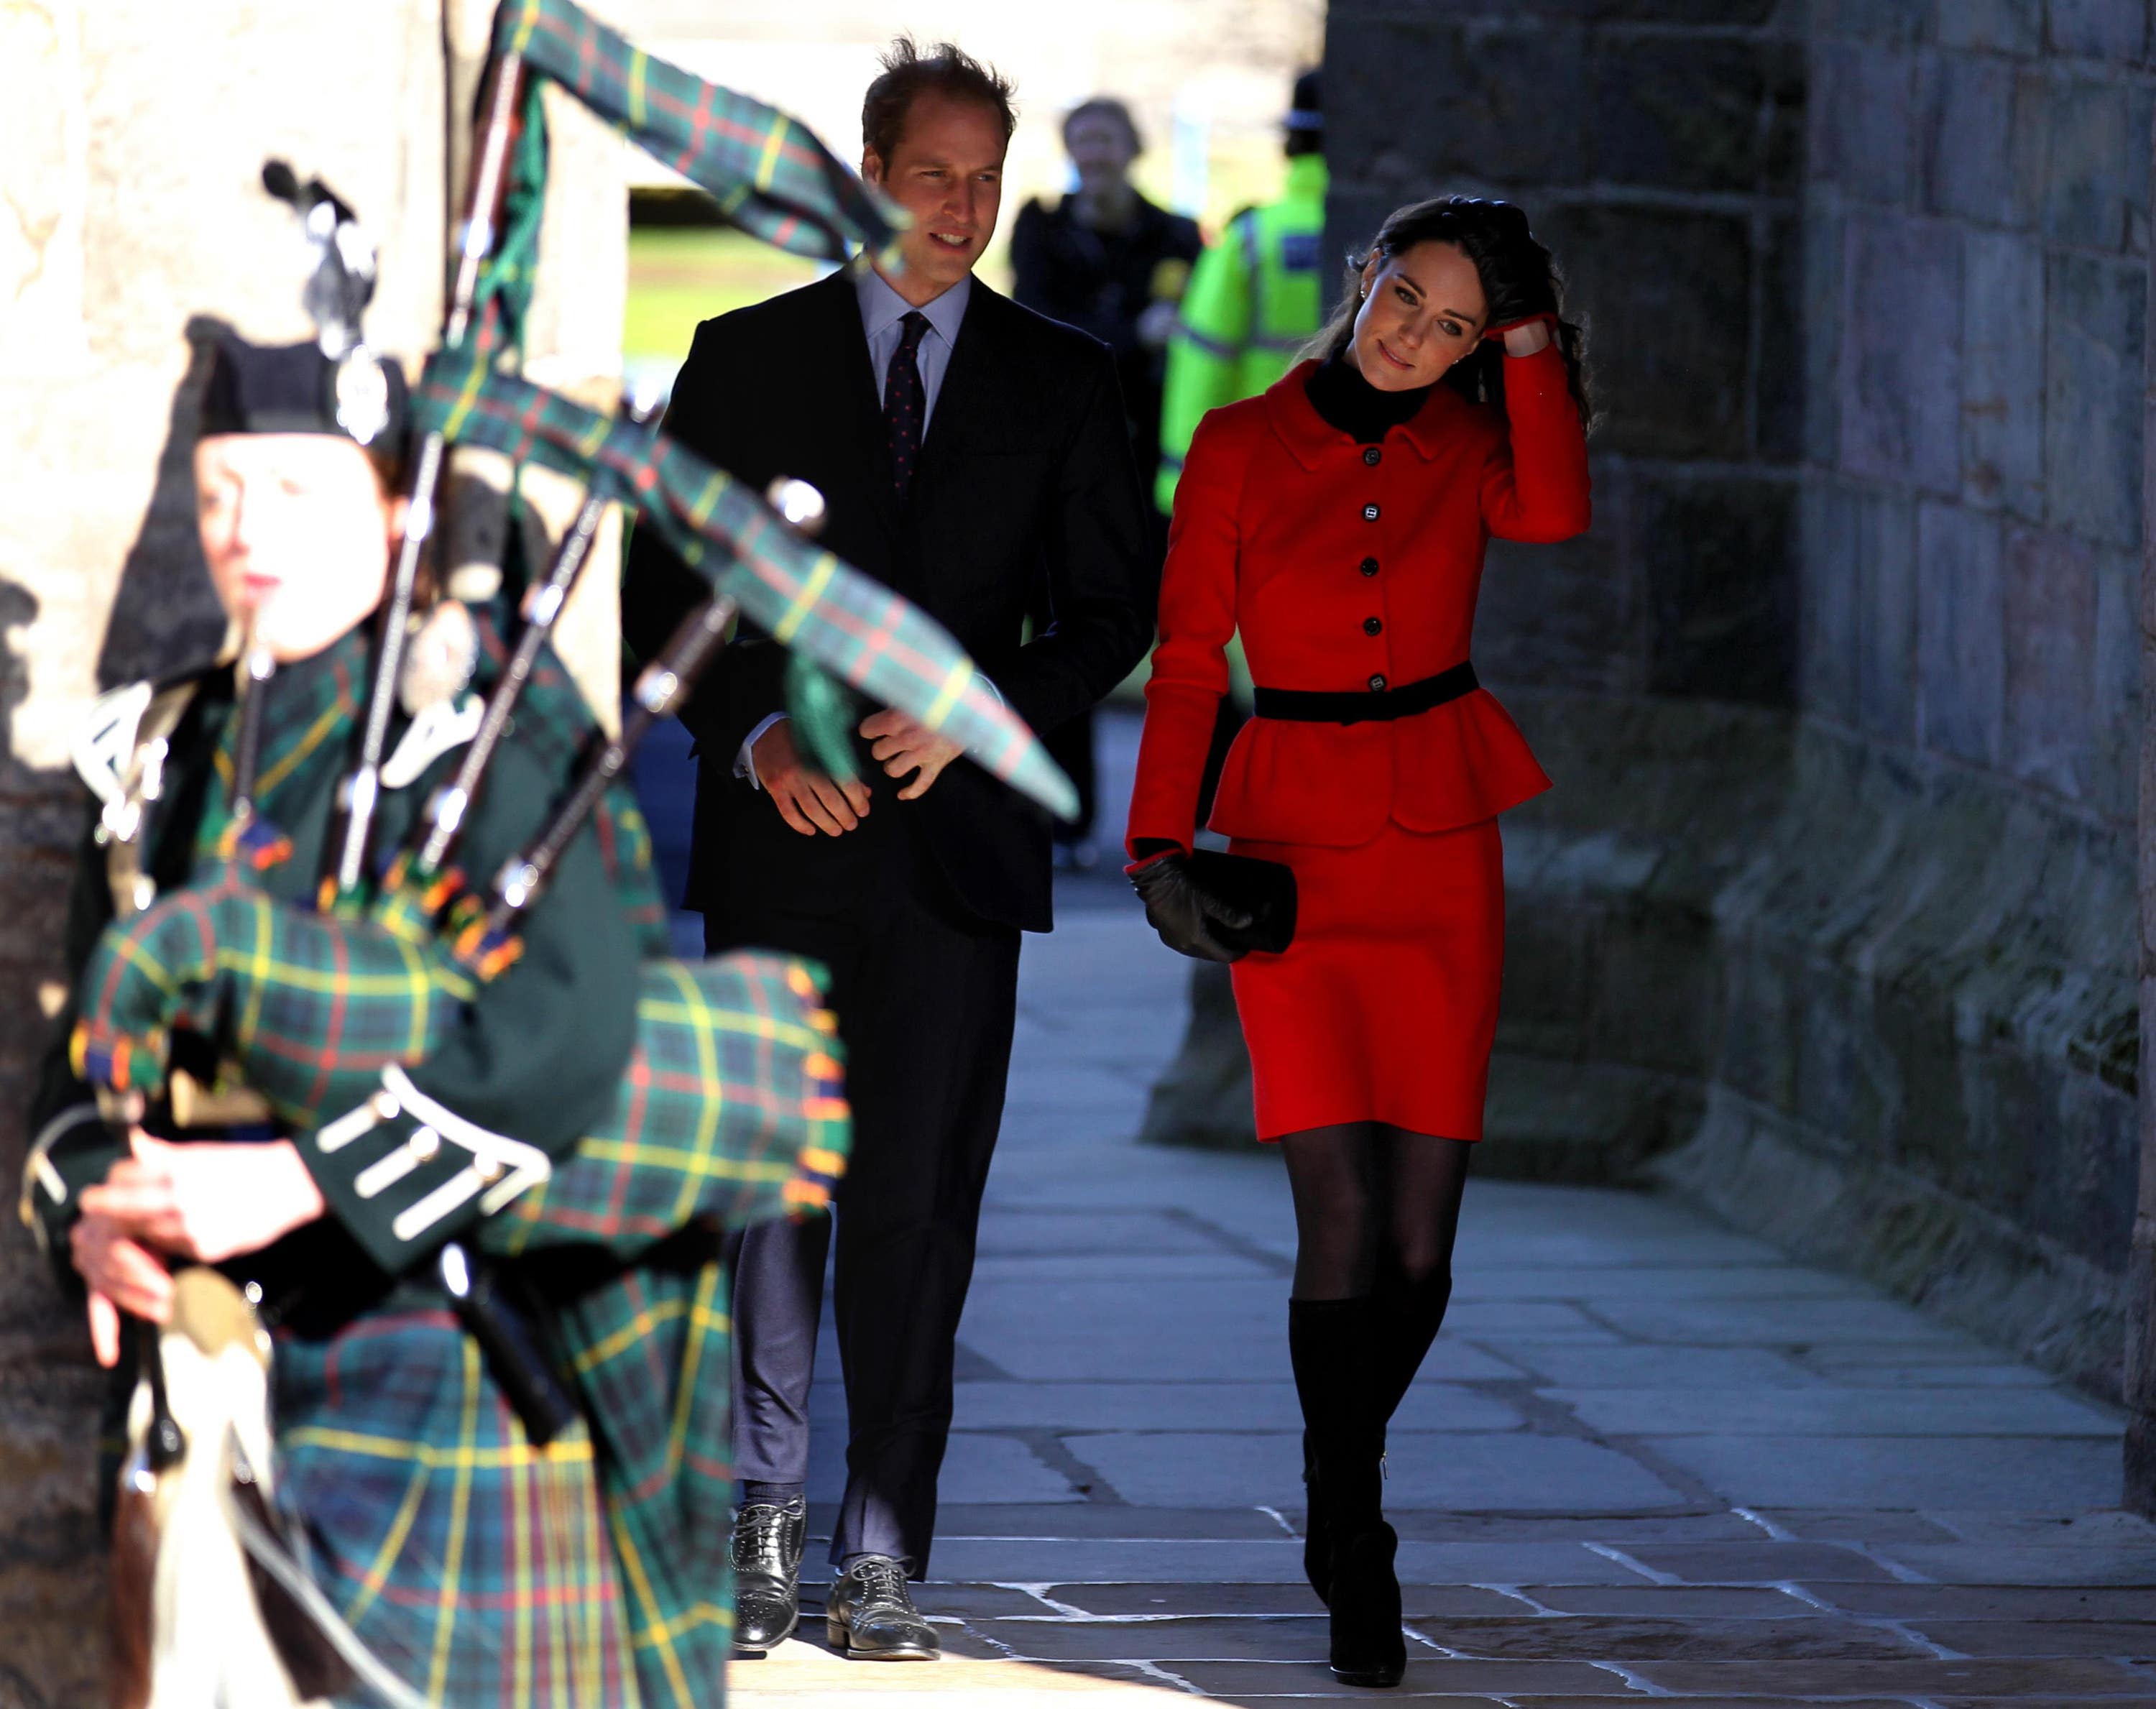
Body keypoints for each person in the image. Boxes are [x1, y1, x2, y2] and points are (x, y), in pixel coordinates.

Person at [24, 328, 838, 1706]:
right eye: (223, 493)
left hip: (438, 1355)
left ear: (396, 509)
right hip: (204, 1379)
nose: (248, 536)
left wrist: (293, 1177)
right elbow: (84, 1059)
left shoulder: (496, 741)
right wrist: (94, 1209)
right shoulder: (165, 748)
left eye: (296, 493)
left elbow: (571, 1035)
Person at [620, 37, 1154, 1661]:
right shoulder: (740, 358)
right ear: (868, 175)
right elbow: (659, 596)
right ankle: (762, 1514)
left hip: (956, 860)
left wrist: (985, 709)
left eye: (988, 179)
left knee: (920, 1199)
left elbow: (1115, 607)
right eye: (934, 175)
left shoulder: (1060, 375)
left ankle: (883, 1542)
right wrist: (752, 738)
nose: (965, 208)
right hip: (781, 842)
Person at [1123, 196, 1592, 1687]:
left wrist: (1527, 347)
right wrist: (1156, 844)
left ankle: (1332, 1483)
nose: (1416, 339)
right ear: (1366, 277)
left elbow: (1559, 510)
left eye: (1456, 325)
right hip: (1295, 865)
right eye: (1410, 301)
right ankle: (1359, 1538)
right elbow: (1191, 660)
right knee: (1336, 1211)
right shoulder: (1242, 448)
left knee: (1420, 1242)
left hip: (1447, 851)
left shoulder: (1475, 439)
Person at [1012, 96, 1202, 866]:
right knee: (1066, 632)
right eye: (1082, 137)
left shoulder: (1177, 235)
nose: (1095, 151)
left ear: (1133, 149)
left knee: (1182, 639)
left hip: (1152, 469)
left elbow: (1187, 329)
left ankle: (1189, 814)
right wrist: (1132, 337)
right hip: (1059, 468)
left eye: (1108, 137)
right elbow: (1039, 326)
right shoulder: (1043, 227)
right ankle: (1066, 820)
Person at [1153, 66, 1327, 517]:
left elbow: (1202, 364)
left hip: (1261, 484)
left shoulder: (1251, 239)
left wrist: (1182, 483)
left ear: (1290, 142)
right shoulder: (1403, 240)